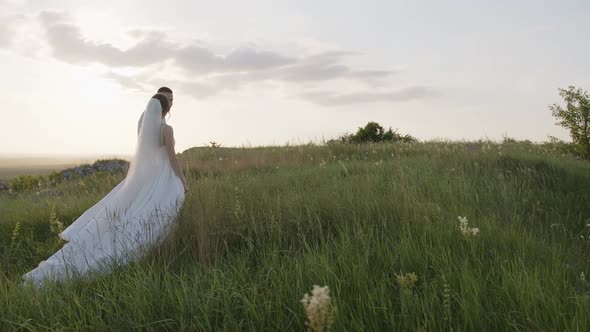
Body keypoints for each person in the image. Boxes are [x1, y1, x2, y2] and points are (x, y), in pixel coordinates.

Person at [22, 93, 188, 287]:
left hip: (146, 179)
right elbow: (173, 158)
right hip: (162, 177)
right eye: (170, 102)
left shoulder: (144, 125)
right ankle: (151, 252)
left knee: (138, 215)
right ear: (166, 108)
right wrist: (182, 181)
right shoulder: (166, 129)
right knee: (158, 214)